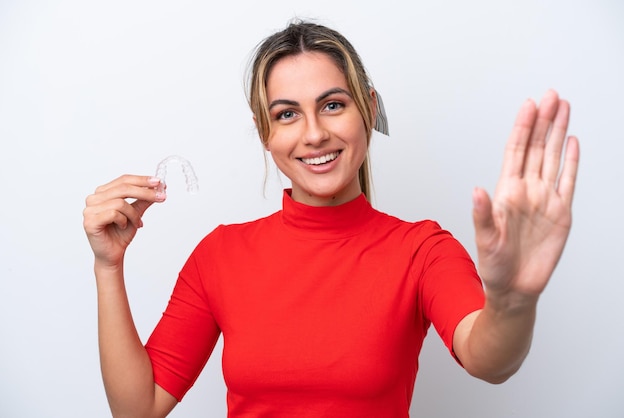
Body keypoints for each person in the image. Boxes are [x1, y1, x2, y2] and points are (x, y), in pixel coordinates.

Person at [82, 19, 580, 418]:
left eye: (333, 105)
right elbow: (138, 408)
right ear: (264, 133)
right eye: (287, 114)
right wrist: (109, 268)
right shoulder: (220, 255)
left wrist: (515, 301)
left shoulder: (422, 250)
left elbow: (488, 360)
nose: (314, 133)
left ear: (368, 107)